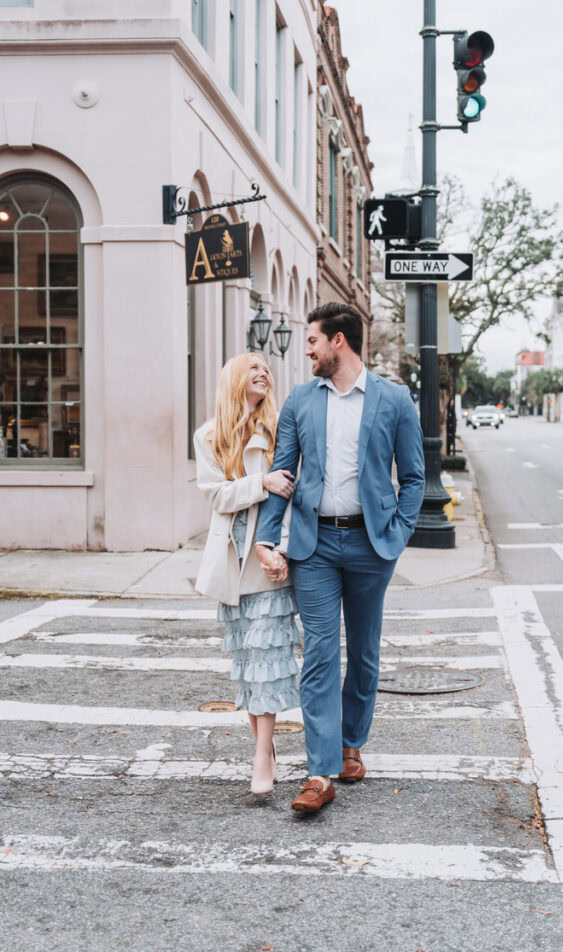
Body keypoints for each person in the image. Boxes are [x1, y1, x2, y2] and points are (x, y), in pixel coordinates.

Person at [255, 303, 425, 814]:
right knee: (322, 654)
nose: (305, 349)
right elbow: (283, 473)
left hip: (373, 546)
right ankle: (320, 771)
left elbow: (414, 477)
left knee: (365, 654)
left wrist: (397, 533)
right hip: (315, 547)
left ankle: (352, 743)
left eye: (312, 340)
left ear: (339, 342)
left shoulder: (394, 400)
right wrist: (268, 537)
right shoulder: (302, 400)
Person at [194, 353, 300, 795]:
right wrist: (261, 483)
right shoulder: (209, 436)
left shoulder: (280, 432)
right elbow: (216, 496)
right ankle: (265, 747)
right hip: (230, 564)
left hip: (269, 559)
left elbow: (296, 494)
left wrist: (286, 548)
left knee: (268, 664)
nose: (263, 373)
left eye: (267, 369)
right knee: (247, 664)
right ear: (234, 380)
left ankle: (262, 753)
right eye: (253, 368)